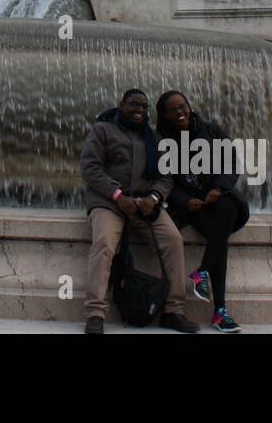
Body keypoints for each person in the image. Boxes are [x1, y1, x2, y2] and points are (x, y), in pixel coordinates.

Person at [80, 88, 200, 334]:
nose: (139, 111)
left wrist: (154, 197)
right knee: (103, 242)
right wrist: (118, 196)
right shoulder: (102, 130)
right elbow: (90, 168)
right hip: (109, 202)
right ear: (121, 103)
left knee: (173, 240)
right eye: (134, 105)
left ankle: (174, 310)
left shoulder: (153, 138)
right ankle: (95, 313)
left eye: (144, 107)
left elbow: (166, 177)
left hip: (145, 205)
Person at [155, 90, 250, 332]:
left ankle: (203, 270)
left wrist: (219, 187)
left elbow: (231, 161)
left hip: (218, 199)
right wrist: (184, 200)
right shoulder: (161, 140)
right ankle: (220, 312)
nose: (180, 112)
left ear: (189, 106)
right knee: (221, 234)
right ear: (164, 115)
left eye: (183, 106)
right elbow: (162, 179)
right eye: (173, 109)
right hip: (191, 208)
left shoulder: (210, 130)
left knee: (228, 207)